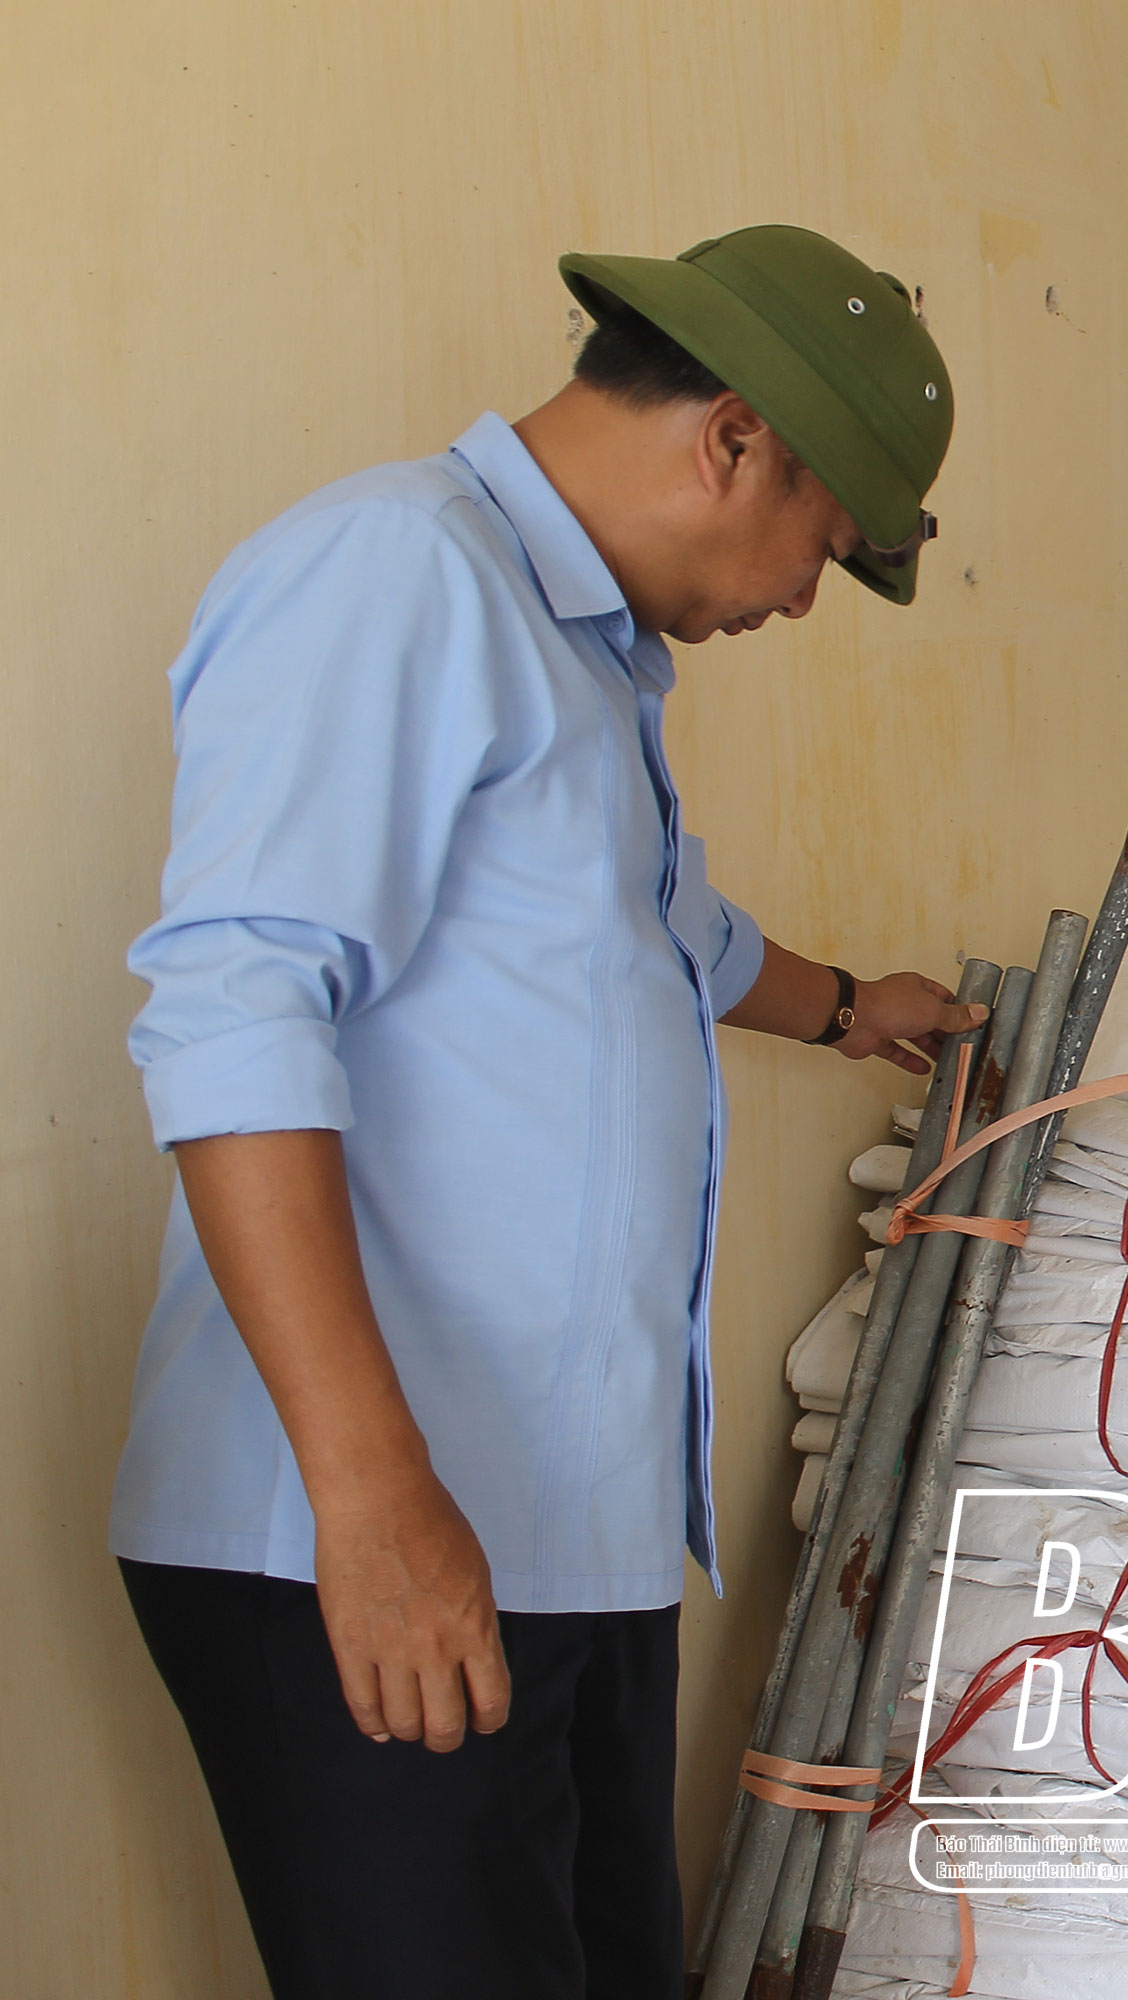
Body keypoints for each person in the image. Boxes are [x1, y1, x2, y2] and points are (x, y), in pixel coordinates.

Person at [113, 224, 976, 2000]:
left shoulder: (582, 657)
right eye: (825, 548)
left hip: (551, 1532)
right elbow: (237, 1016)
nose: (803, 603)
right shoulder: (396, 576)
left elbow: (660, 930)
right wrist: (372, 1499)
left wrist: (844, 1008)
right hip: (364, 1530)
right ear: (735, 438)